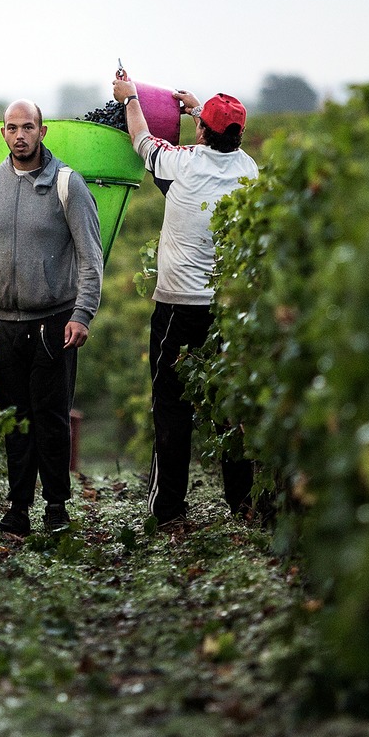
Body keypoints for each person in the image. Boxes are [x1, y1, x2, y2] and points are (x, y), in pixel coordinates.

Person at [110, 70, 259, 526]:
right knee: (229, 407)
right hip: (230, 311)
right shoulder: (249, 170)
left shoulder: (183, 164)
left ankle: (169, 509)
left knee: (171, 407)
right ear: (239, 135)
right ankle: (244, 504)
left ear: (201, 133)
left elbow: (142, 141)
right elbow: (216, 139)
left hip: (179, 307)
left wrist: (130, 97)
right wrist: (198, 110)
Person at [0, 100, 104, 537]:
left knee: (52, 418)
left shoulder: (67, 184)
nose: (19, 135)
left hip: (53, 323)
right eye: (12, 128)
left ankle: (57, 508)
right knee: (14, 419)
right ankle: (18, 509)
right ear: (3, 134)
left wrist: (82, 314)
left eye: (28, 127)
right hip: (2, 323)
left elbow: (91, 256)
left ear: (42, 132)